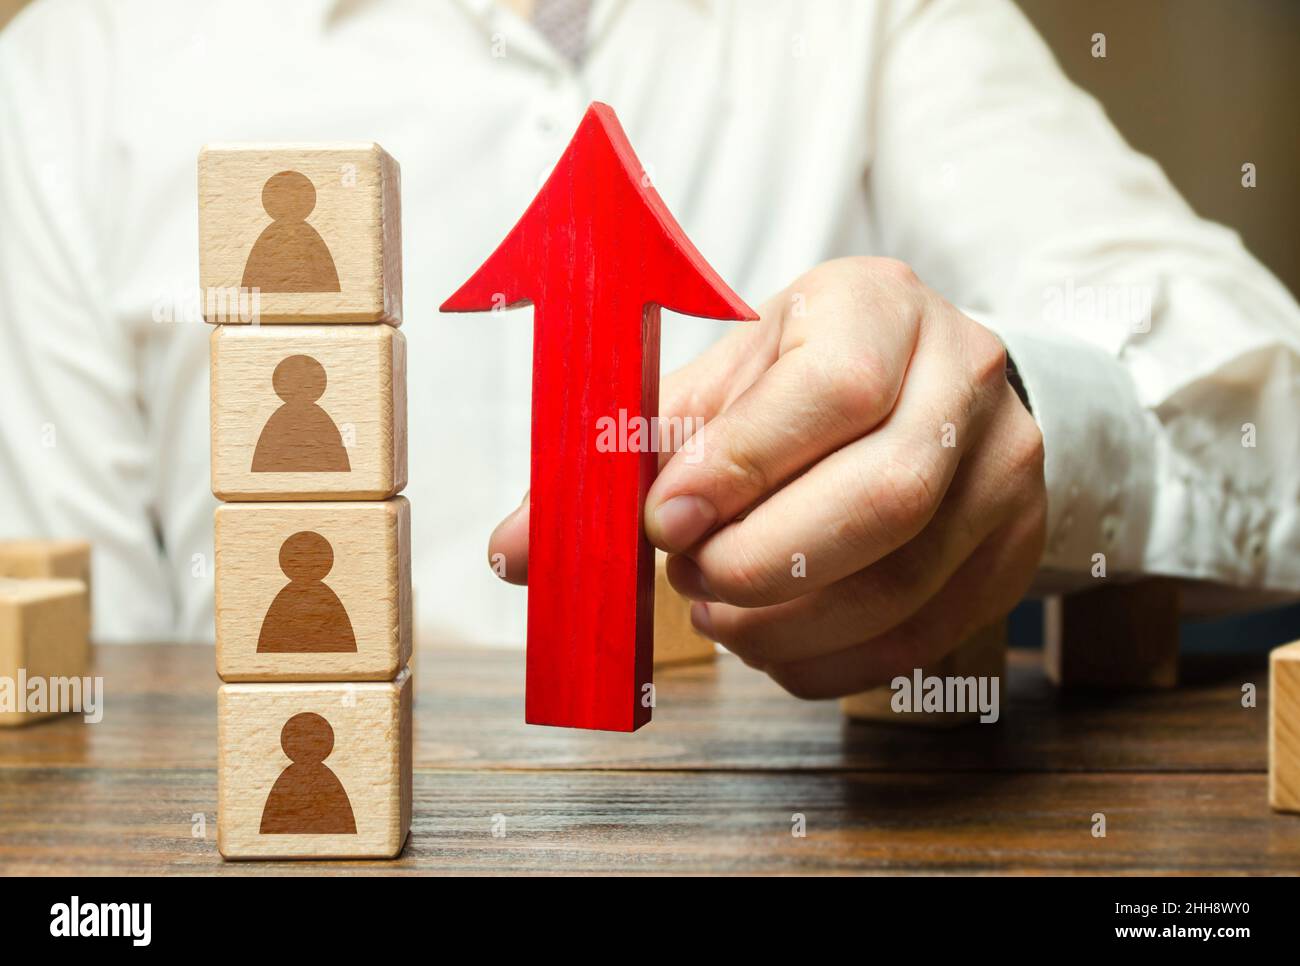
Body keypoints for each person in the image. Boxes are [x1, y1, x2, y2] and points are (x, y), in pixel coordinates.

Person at [1, 0, 1297, 700]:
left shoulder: (882, 21)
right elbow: (74, 720)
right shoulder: (68, 76)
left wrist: (1038, 418)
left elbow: (1273, 419)